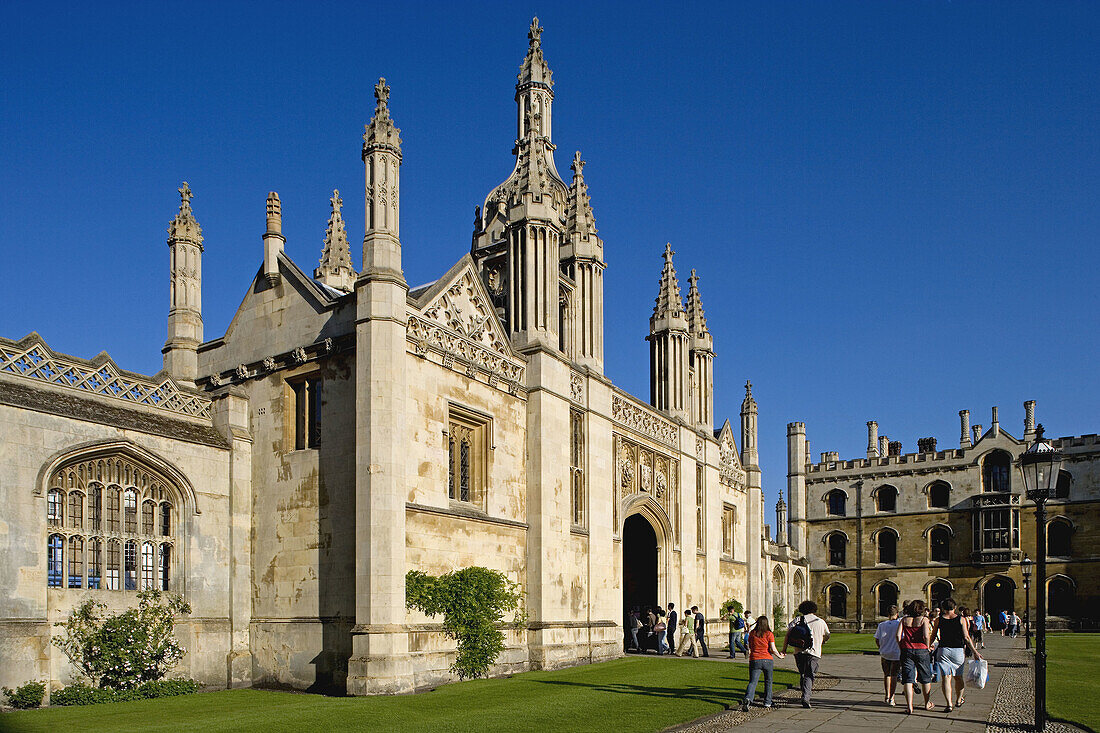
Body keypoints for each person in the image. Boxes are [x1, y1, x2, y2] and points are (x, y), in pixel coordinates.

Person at [931, 598, 981, 712]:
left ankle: (949, 704)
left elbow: (933, 635)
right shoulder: (961, 619)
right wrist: (975, 652)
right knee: (958, 677)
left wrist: (928, 646)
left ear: (943, 608)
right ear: (954, 607)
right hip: (958, 651)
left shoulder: (939, 620)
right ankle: (958, 700)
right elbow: (967, 637)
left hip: (943, 650)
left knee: (946, 678)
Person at [782, 600, 830, 709]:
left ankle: (804, 691)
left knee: (803, 673)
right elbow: (827, 635)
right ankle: (806, 698)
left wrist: (784, 649)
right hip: (814, 652)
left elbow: (788, 635)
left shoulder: (798, 620)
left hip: (798, 652)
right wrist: (823, 640)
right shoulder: (820, 621)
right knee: (809, 675)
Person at [896, 599, 935, 714]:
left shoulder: (904, 620)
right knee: (925, 678)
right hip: (921, 649)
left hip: (906, 649)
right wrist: (928, 646)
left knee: (908, 678)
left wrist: (901, 646)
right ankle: (927, 703)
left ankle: (909, 707)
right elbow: (926, 636)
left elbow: (898, 635)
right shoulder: (924, 619)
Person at [739, 615, 785, 711]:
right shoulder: (769, 634)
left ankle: (748, 698)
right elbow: (773, 648)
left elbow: (750, 646)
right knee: (768, 681)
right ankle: (767, 702)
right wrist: (780, 656)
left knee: (752, 682)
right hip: (767, 659)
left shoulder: (752, 633)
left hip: (755, 659)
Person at [874, 604, 902, 706]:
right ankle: (891, 697)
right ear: (897, 613)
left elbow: (877, 639)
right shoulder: (899, 624)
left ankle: (887, 695)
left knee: (887, 675)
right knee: (893, 675)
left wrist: (881, 648)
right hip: (896, 653)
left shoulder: (882, 625)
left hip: (885, 653)